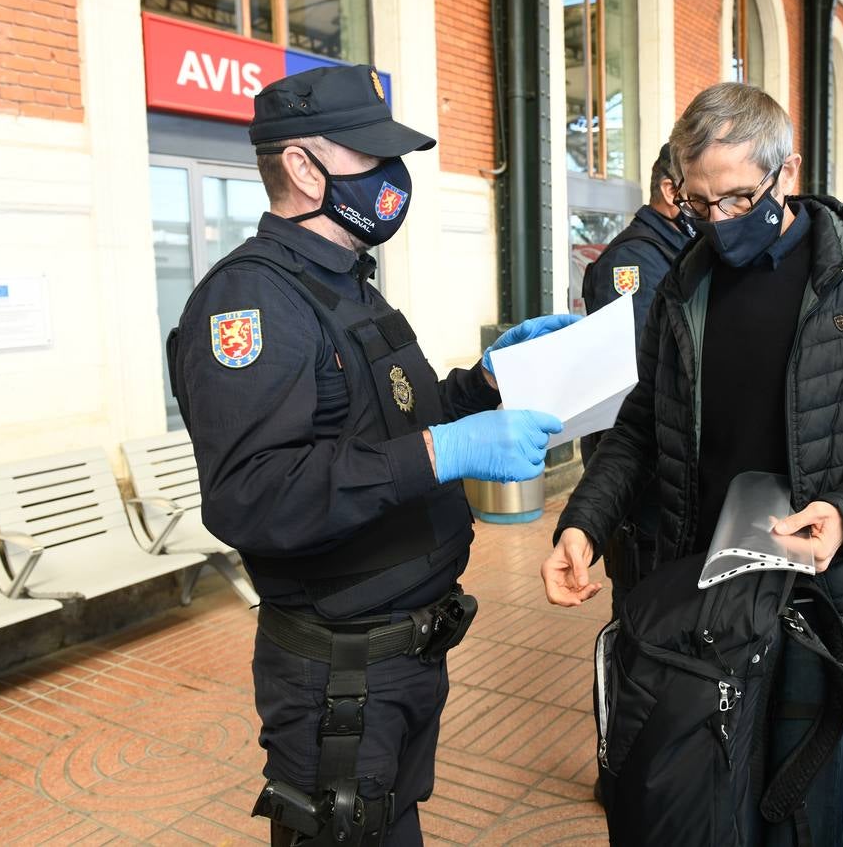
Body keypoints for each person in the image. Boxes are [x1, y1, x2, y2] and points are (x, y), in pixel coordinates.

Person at [540, 82, 843, 845]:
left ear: (787, 171)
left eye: (739, 198)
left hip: (816, 605)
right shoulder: (684, 287)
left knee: (801, 813)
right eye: (699, 203)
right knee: (707, 803)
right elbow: (640, 427)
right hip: (705, 602)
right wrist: (585, 523)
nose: (719, 221)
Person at [171, 63, 577, 847]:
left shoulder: (347, 284)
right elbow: (252, 496)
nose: (391, 176)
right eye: (368, 157)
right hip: (338, 679)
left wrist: (485, 385)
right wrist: (445, 450)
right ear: (300, 165)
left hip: (400, 657)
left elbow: (390, 426)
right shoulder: (252, 302)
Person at [579, 142, 694, 611]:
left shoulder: (680, 252)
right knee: (642, 635)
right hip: (647, 495)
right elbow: (647, 386)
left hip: (669, 490)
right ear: (670, 189)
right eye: (703, 192)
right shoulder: (634, 265)